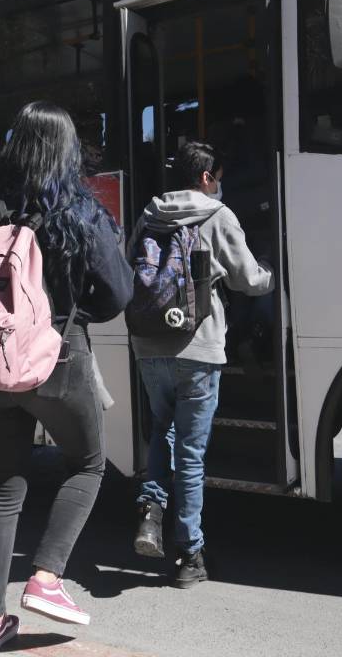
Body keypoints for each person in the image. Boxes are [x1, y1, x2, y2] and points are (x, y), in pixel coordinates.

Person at [0, 101, 133, 657]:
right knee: (87, 464)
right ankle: (47, 579)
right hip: (55, 357)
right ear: (67, 149)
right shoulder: (78, 209)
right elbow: (116, 295)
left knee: (3, 486)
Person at [128, 141, 274, 588]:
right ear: (208, 177)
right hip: (197, 348)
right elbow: (249, 281)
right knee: (190, 454)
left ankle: (151, 509)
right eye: (219, 177)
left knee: (162, 430)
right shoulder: (217, 214)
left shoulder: (149, 214)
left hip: (150, 344)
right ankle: (190, 554)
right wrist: (270, 268)